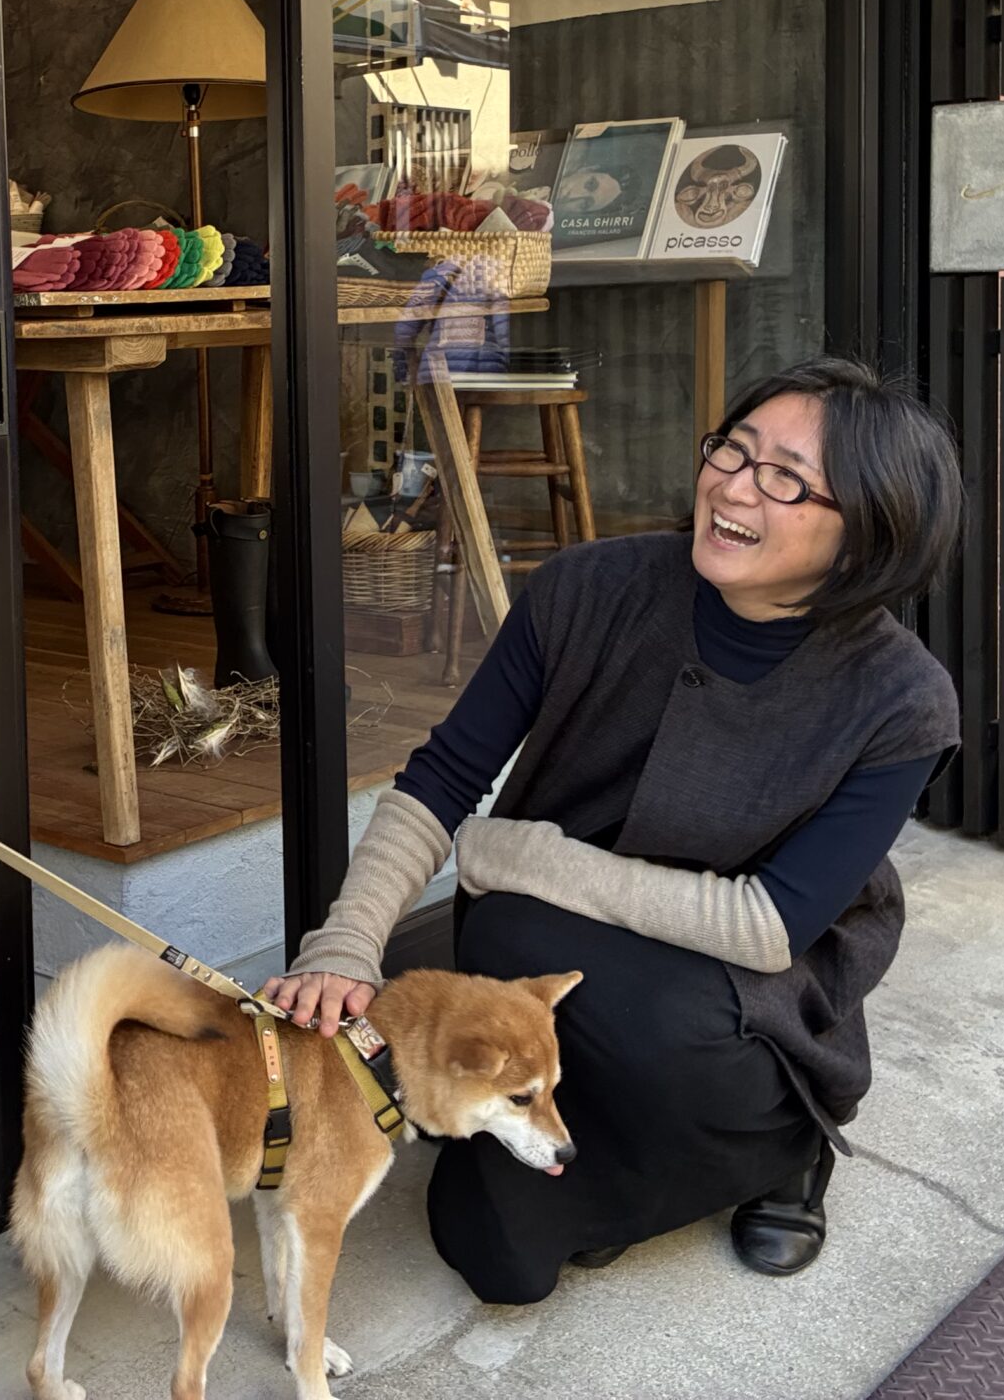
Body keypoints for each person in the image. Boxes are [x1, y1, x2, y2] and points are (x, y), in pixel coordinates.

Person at [262, 357, 964, 1306]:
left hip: (743, 991)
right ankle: (591, 1158)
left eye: (786, 479)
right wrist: (345, 944)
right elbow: (444, 778)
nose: (733, 486)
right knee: (498, 1248)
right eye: (733, 450)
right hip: (569, 947)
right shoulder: (587, 588)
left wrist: (537, 858)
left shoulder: (902, 698)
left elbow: (770, 927)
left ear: (866, 535)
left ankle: (782, 1152)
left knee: (639, 998)